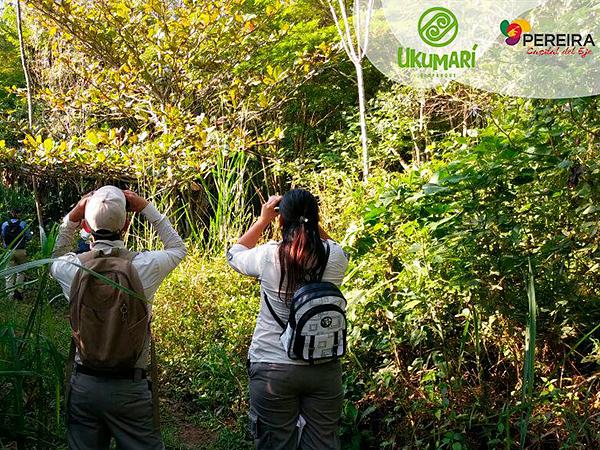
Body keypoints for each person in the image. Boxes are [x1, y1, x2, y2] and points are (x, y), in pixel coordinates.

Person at [50, 186, 186, 450]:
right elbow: (177, 248)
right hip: (130, 388)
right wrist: (147, 207)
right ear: (125, 224)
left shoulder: (71, 267)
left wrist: (72, 217)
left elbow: (54, 256)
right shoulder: (144, 266)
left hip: (85, 385)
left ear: (87, 226)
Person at [227, 188, 349, 450]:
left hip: (273, 365)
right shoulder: (335, 257)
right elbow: (338, 248)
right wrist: (311, 223)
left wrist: (263, 221)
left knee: (275, 444)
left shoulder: (268, 255)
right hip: (323, 366)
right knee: (323, 444)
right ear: (316, 219)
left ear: (282, 220)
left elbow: (233, 254)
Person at [2, 209, 32, 300]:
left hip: (9, 251)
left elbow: (3, 236)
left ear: (10, 214)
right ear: (19, 214)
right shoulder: (23, 224)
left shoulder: (5, 224)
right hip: (21, 250)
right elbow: (28, 237)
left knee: (9, 273)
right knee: (21, 272)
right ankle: (19, 292)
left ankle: (10, 296)